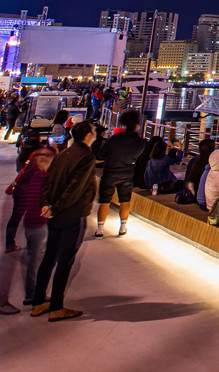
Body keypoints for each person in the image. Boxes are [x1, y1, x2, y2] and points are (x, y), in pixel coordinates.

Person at [31, 121, 97, 322]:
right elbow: (76, 188)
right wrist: (56, 206)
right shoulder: (86, 156)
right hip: (72, 214)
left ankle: (38, 302)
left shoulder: (63, 154)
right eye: (93, 131)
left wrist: (47, 204)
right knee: (65, 261)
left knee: (49, 257)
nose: (95, 134)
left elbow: (47, 181)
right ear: (87, 135)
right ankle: (57, 307)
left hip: (55, 214)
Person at [6, 146, 53, 309]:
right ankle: (32, 294)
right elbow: (39, 203)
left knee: (35, 258)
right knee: (37, 261)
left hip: (30, 223)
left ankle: (32, 293)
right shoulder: (41, 177)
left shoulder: (29, 174)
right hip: (39, 224)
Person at [95, 110, 145, 238]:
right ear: (137, 125)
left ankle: (100, 230)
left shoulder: (115, 139)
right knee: (125, 200)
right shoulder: (140, 142)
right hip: (127, 172)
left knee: (105, 201)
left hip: (110, 171)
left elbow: (101, 154)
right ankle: (122, 228)